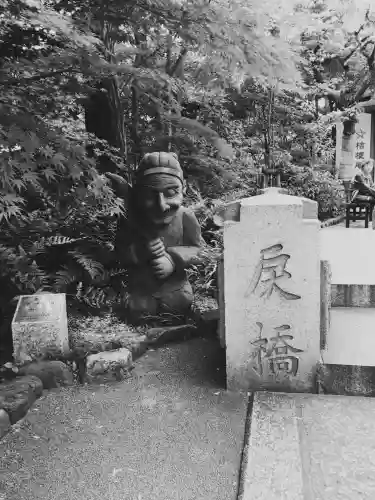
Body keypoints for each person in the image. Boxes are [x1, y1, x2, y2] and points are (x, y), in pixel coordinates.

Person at [115, 151, 204, 323]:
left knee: (179, 303)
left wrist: (172, 259)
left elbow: (200, 250)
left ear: (183, 188)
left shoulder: (185, 216)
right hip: (141, 291)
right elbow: (120, 253)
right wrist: (139, 251)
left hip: (176, 289)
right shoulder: (130, 218)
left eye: (171, 192)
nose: (161, 205)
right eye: (149, 195)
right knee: (138, 308)